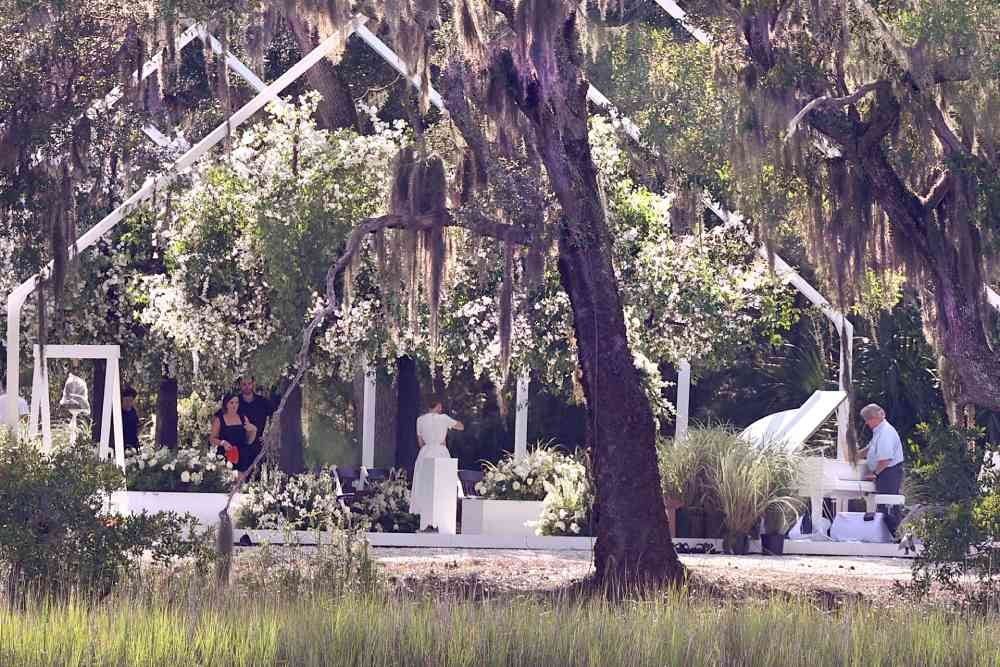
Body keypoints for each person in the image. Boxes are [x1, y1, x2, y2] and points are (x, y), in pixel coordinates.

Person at [411, 397, 464, 529]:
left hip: (426, 452)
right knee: (443, 485)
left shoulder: (420, 420)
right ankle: (442, 518)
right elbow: (461, 426)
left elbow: (420, 442)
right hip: (440, 452)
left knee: (424, 484)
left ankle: (424, 518)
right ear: (438, 406)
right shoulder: (444, 418)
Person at [857, 403, 905, 537]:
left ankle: (898, 537)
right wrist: (855, 455)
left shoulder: (885, 432)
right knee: (884, 506)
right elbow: (870, 449)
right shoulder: (879, 430)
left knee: (888, 506)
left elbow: (886, 460)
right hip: (885, 472)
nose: (867, 423)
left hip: (889, 472)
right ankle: (893, 537)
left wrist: (874, 473)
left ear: (873, 419)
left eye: (868, 420)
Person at [209, 393, 257, 473]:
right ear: (226, 404)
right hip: (225, 459)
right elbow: (212, 439)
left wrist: (253, 430)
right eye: (231, 403)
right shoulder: (219, 419)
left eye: (236, 402)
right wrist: (223, 442)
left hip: (242, 458)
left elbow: (249, 441)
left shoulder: (243, 418)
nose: (234, 405)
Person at [237, 375, 274, 465]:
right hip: (240, 446)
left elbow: (274, 418)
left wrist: (268, 434)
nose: (247, 387)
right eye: (244, 384)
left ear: (253, 384)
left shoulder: (263, 402)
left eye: (249, 384)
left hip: (259, 445)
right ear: (240, 385)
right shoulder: (235, 402)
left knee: (258, 474)